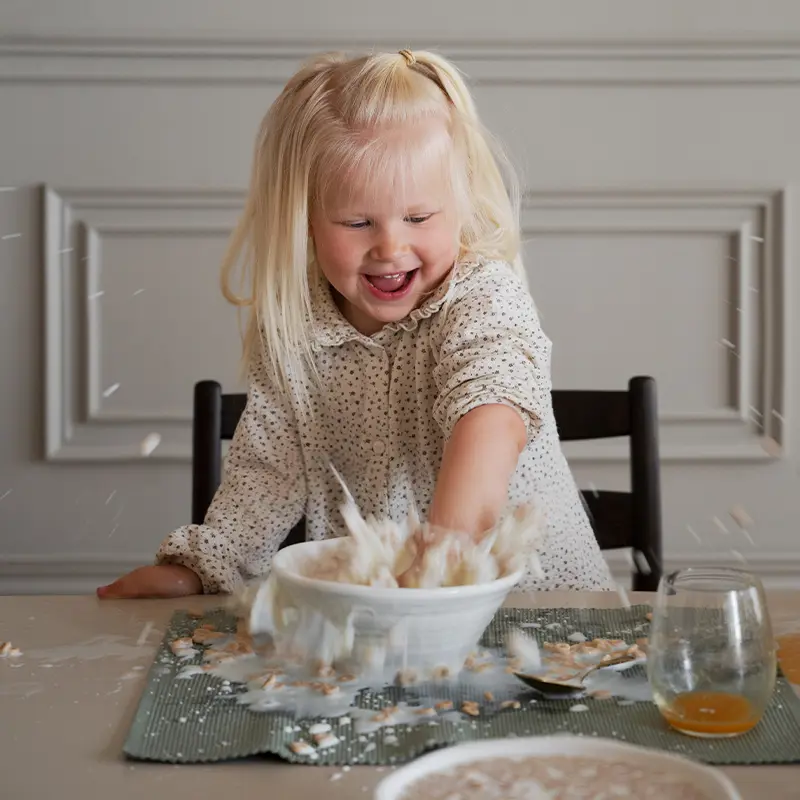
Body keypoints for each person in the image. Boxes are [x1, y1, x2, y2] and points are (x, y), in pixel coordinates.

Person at [97, 48, 614, 599]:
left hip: (547, 613)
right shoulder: (298, 330)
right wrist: (200, 568)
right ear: (307, 221)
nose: (390, 246)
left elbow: (491, 419)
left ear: (460, 203)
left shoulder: (484, 296)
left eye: (418, 217)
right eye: (357, 222)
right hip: (392, 614)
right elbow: (267, 475)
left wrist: (443, 553)